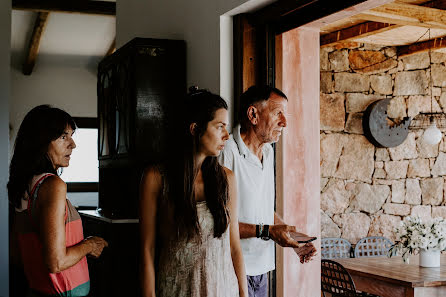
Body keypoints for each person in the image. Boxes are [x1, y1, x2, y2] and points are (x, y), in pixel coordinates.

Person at [139, 89, 249, 297]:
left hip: (222, 289)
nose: (227, 135)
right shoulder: (156, 177)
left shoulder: (227, 179)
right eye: (220, 127)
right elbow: (147, 249)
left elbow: (233, 244)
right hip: (176, 289)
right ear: (195, 129)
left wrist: (244, 293)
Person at [218, 85, 317, 297]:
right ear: (253, 114)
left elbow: (262, 211)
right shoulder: (226, 153)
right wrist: (268, 231)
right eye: (277, 113)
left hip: (262, 269)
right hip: (232, 268)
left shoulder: (269, 152)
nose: (285, 122)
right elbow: (219, 222)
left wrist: (294, 242)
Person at [8, 105, 108, 297]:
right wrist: (90, 245)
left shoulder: (26, 185)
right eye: (63, 137)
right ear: (41, 142)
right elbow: (56, 262)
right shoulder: (53, 185)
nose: (73, 144)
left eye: (71, 135)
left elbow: (16, 255)